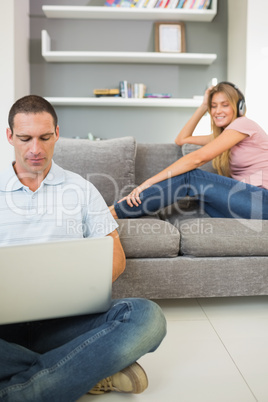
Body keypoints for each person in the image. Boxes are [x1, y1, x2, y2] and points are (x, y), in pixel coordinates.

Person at [0, 95, 167, 402]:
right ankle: (85, 370)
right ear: (9, 136)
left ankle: (22, 389)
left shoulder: (80, 188)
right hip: (2, 325)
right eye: (24, 138)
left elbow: (115, 257)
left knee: (147, 317)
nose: (35, 149)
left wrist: (81, 282)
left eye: (44, 137)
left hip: (65, 320)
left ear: (57, 134)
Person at [110, 82, 268, 221]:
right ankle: (118, 210)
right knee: (199, 197)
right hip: (247, 203)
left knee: (190, 177)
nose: (217, 111)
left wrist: (146, 184)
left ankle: (114, 212)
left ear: (239, 107)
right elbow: (181, 139)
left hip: (261, 201)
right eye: (214, 106)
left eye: (225, 105)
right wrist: (203, 105)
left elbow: (197, 159)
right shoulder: (222, 136)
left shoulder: (243, 124)